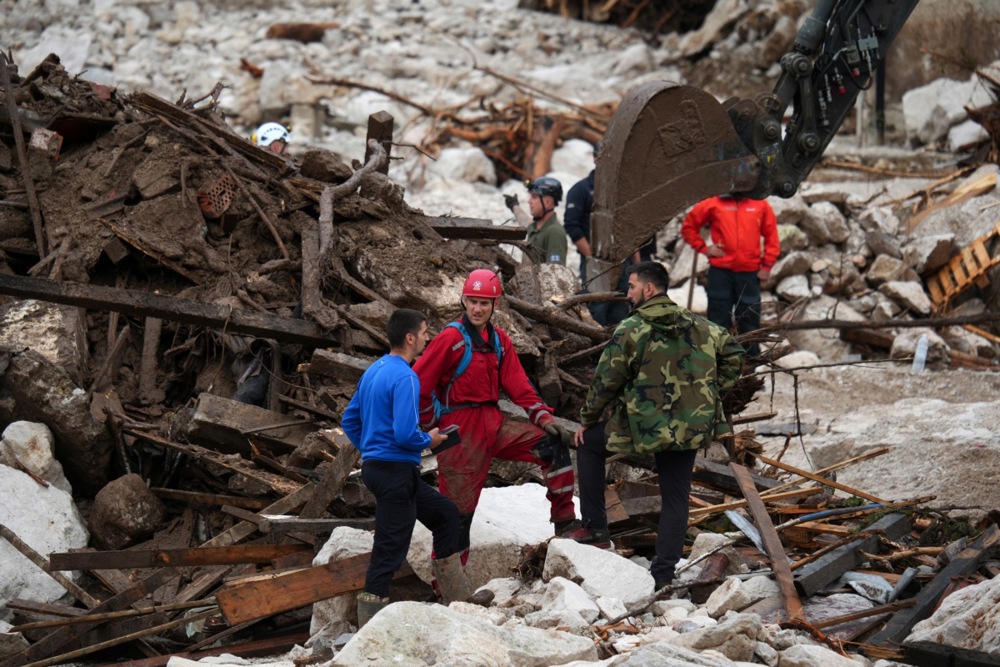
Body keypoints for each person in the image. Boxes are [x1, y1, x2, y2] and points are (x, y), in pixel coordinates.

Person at [569, 261, 744, 589]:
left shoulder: (631, 328)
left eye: (632, 286)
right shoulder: (702, 326)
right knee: (676, 496)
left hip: (642, 426)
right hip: (689, 426)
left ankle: (595, 529)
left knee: (588, 443)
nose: (628, 293)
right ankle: (663, 575)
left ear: (649, 289)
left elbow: (606, 380)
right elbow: (735, 354)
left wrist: (588, 419)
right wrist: (708, 393)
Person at [413, 269, 579, 561]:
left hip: (494, 423)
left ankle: (565, 523)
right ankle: (448, 584)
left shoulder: (499, 341)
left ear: (495, 305)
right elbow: (418, 384)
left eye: (484, 303)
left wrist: (544, 418)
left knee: (552, 445)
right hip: (459, 432)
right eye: (473, 301)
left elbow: (519, 385)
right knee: (457, 518)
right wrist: (430, 425)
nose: (477, 309)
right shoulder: (451, 338)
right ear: (464, 301)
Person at [341, 308, 472, 628]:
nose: (429, 337)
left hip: (384, 470)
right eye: (425, 332)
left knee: (445, 514)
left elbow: (349, 420)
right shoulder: (406, 377)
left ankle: (456, 600)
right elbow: (404, 434)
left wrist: (372, 449)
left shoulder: (374, 370)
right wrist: (431, 439)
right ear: (410, 338)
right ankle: (370, 629)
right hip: (395, 472)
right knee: (390, 548)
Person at [563, 141, 654, 326]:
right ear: (595, 158)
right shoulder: (581, 190)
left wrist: (637, 265)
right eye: (602, 158)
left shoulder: (623, 191)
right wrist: (591, 257)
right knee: (596, 310)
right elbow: (572, 226)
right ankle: (594, 342)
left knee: (620, 309)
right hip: (595, 263)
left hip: (622, 262)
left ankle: (616, 341)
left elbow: (631, 228)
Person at [680, 194, 779, 357]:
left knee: (749, 320)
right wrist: (704, 248)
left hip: (749, 273)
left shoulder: (760, 204)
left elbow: (772, 237)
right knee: (717, 321)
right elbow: (688, 226)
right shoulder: (713, 203)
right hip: (721, 272)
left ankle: (751, 362)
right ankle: (717, 360)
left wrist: (767, 265)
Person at [505, 177, 567, 265]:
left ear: (547, 203)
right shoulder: (537, 228)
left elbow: (556, 270)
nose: (529, 201)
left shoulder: (554, 233)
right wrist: (514, 205)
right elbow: (526, 222)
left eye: (534, 197)